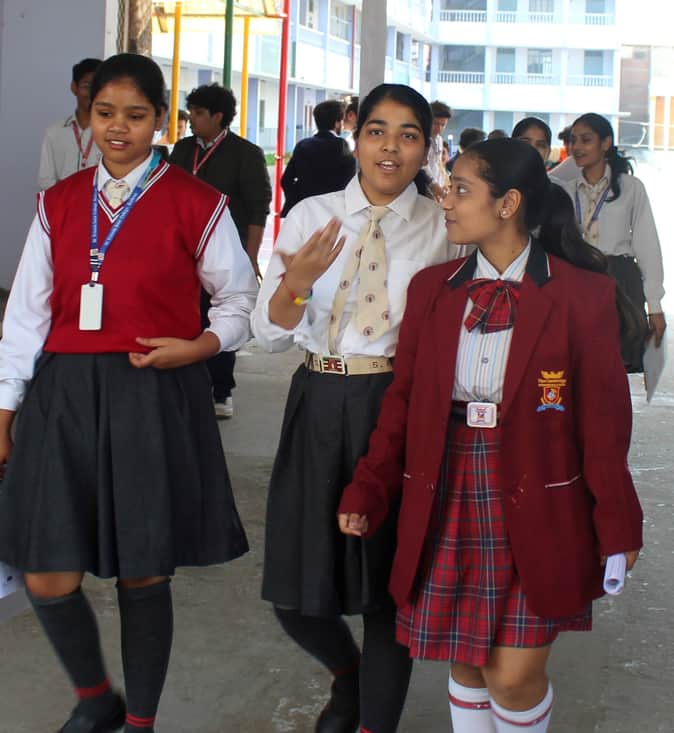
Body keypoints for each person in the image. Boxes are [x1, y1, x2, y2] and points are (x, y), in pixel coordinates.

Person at [337, 137, 644, 733]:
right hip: (448, 486)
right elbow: (403, 402)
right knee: (470, 660)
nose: (445, 200)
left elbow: (605, 424)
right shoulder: (432, 288)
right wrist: (369, 487)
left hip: (538, 493)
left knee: (513, 675)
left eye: (460, 189)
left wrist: (618, 521)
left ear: (507, 204)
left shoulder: (582, 294)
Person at [0, 53, 256, 733]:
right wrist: (5, 404)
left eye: (136, 115)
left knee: (143, 571)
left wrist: (201, 345)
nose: (118, 127)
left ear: (160, 121)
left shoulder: (196, 202)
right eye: (105, 113)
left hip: (153, 393)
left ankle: (139, 720)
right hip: (64, 394)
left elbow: (239, 299)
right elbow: (25, 313)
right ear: (88, 116)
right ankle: (96, 698)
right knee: (47, 570)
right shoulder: (59, 202)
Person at [251, 83, 468, 733]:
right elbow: (268, 334)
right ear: (355, 136)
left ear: (427, 147)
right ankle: (348, 675)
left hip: (397, 406)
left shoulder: (443, 227)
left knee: (385, 591)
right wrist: (295, 284)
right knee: (295, 590)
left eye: (408, 134)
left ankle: (374, 721)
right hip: (318, 398)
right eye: (377, 131)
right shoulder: (311, 215)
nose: (390, 147)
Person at [170, 84, 271, 418]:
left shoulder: (245, 154)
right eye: (191, 112)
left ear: (218, 116)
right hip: (181, 252)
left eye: (198, 113)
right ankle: (185, 385)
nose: (191, 119)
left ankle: (221, 391)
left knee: (221, 317)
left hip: (226, 252)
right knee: (185, 317)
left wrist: (250, 257)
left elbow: (258, 209)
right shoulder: (182, 150)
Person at [561, 112, 665, 371]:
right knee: (580, 364)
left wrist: (654, 305)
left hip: (621, 280)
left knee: (618, 365)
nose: (576, 147)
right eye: (573, 140)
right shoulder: (566, 190)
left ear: (606, 143)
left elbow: (647, 245)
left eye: (586, 140)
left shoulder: (631, 187)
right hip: (579, 278)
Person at [281, 99, 356, 216]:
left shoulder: (303, 145)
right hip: (331, 212)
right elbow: (351, 178)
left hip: (306, 210)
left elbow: (286, 180)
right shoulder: (340, 145)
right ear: (337, 123)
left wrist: (299, 199)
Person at [38, 57, 102, 190]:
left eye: (98, 87)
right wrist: (71, 193)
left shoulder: (109, 133)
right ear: (74, 87)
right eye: (86, 86)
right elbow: (44, 181)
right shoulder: (55, 133)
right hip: (62, 201)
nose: (92, 93)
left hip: (98, 202)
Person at [424, 100, 452, 199]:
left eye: (443, 125)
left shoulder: (439, 140)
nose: (439, 128)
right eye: (435, 123)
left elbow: (438, 164)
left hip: (437, 186)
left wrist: (442, 183)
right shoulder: (421, 139)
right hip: (424, 186)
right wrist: (435, 186)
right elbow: (423, 167)